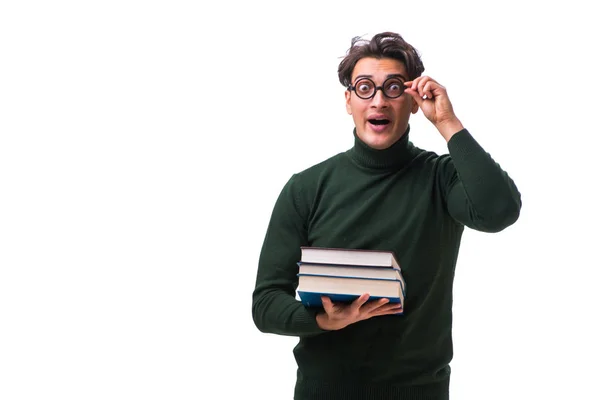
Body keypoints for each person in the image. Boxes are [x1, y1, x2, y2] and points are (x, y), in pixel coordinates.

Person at [251, 31, 522, 400]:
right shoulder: (306, 188)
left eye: (393, 88)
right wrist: (320, 320)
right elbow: (266, 303)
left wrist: (446, 122)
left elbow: (499, 211)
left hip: (419, 391)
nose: (378, 101)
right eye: (365, 88)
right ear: (348, 100)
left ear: (412, 101)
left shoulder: (441, 178)